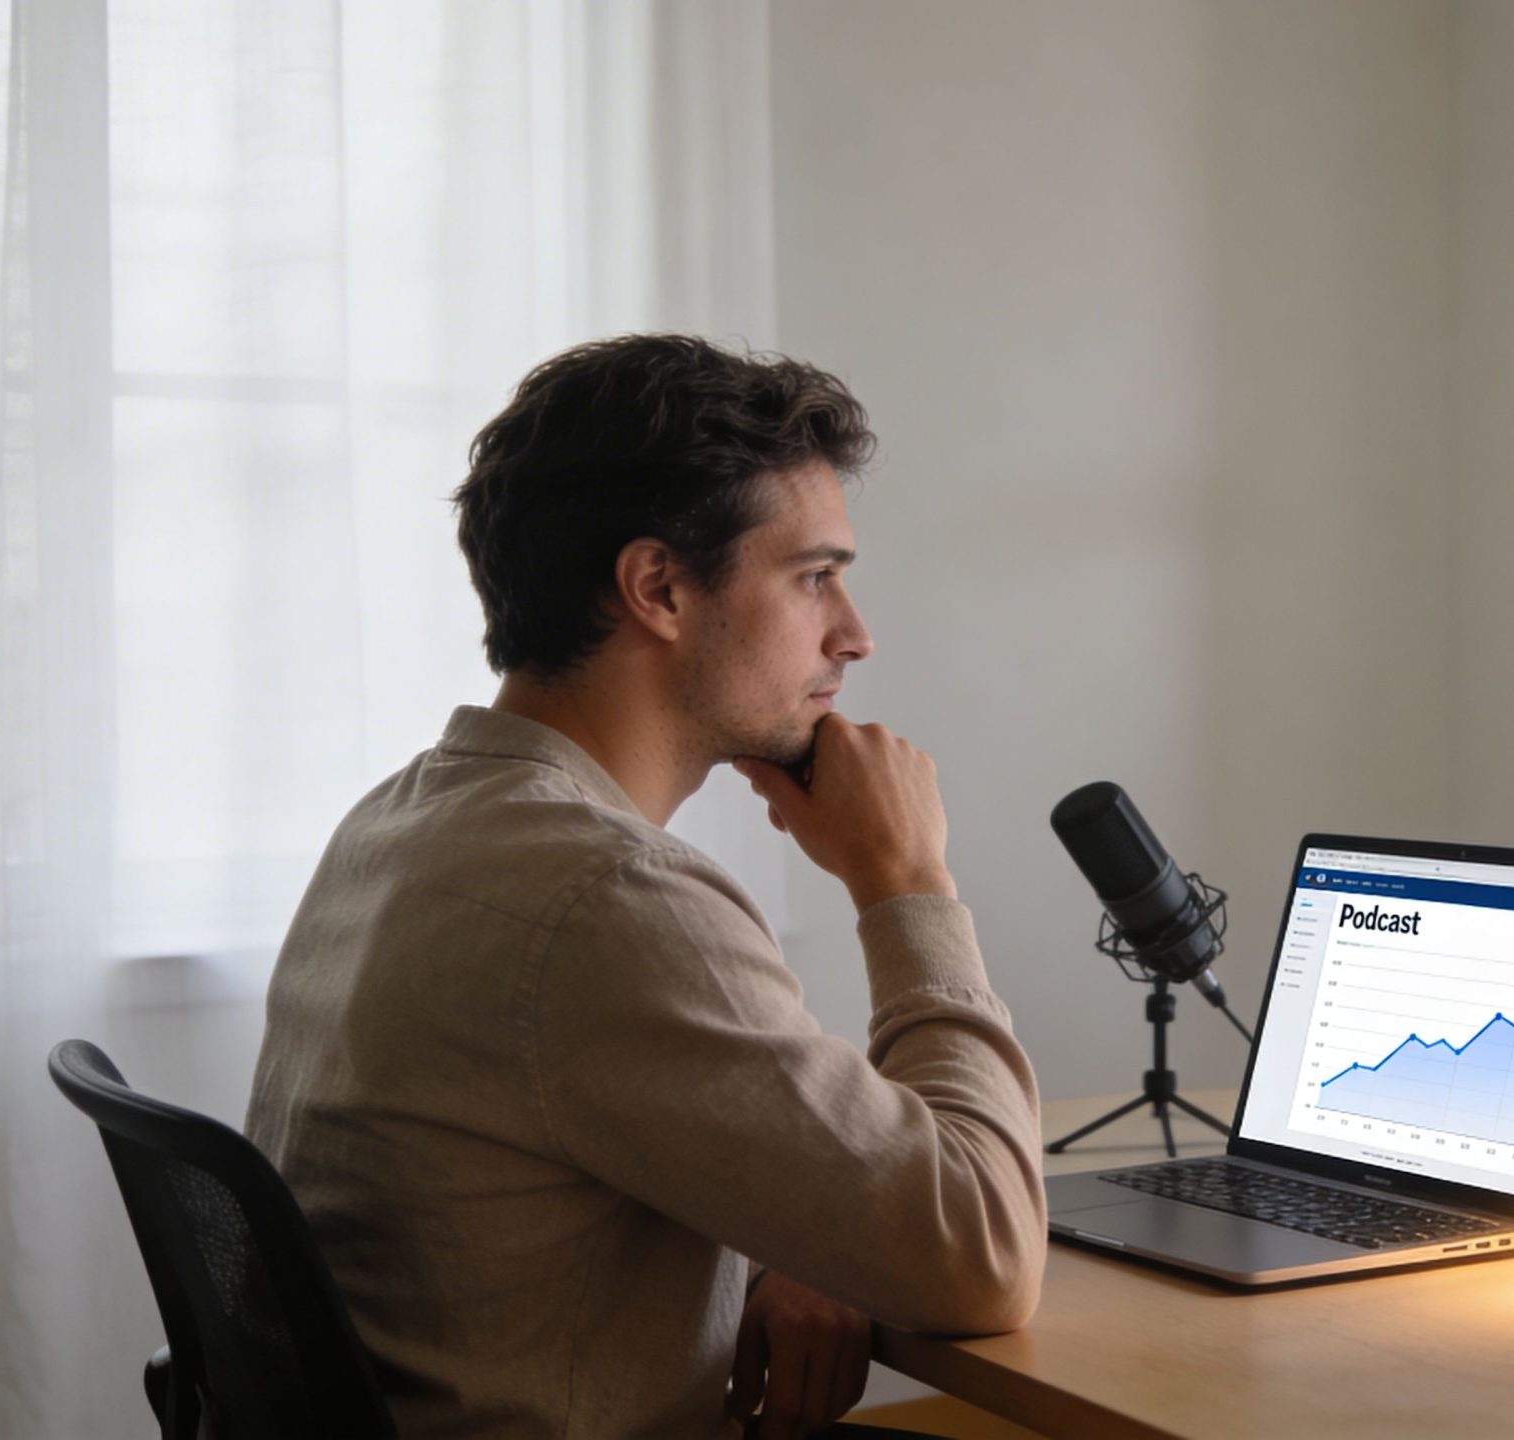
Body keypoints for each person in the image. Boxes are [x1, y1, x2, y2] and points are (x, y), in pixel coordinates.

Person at [244, 335, 1045, 1440]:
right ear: (659, 587)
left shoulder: (403, 819)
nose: (854, 635)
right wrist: (904, 881)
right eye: (815, 577)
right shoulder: (611, 898)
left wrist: (805, 1245)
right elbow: (984, 1258)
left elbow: (554, 1149)